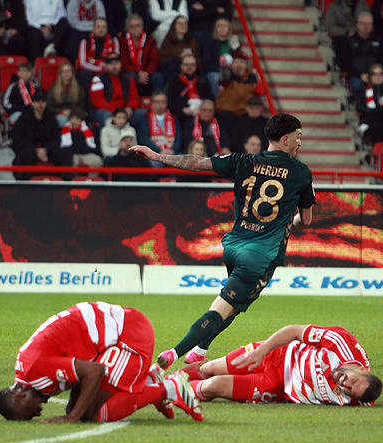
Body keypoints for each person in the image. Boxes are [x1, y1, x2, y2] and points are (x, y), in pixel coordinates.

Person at [132, 113, 315, 369]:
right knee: (222, 308)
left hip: (233, 246)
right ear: (286, 139)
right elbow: (306, 220)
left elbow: (197, 163)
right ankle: (174, 353)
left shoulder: (243, 160)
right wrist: (289, 221)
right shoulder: (301, 173)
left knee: (234, 303)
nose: (299, 143)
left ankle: (200, 350)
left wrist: (157, 156)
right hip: (260, 256)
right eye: (298, 137)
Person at [0, 300, 203, 423]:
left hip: (128, 334)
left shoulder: (36, 369)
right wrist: (72, 413)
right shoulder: (26, 369)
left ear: (20, 396)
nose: (37, 412)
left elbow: (94, 371)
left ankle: (170, 387)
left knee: (90, 413)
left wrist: (72, 418)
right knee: (77, 408)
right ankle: (149, 379)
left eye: (29, 412)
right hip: (112, 337)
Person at [176, 324, 382, 407]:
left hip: (277, 386)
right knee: (208, 369)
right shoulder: (340, 342)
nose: (345, 384)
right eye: (354, 380)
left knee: (213, 386)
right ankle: (168, 380)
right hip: (276, 353)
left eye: (349, 390)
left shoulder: (362, 398)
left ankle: (167, 390)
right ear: (363, 369)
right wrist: (261, 351)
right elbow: (294, 331)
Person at [90, 53, 140, 127]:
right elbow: (98, 101)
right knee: (108, 116)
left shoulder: (128, 79)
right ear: (106, 66)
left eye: (117, 63)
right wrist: (116, 111)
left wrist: (130, 108)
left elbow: (134, 97)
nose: (114, 66)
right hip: (106, 110)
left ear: (121, 64)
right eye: (111, 63)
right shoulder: (98, 79)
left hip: (125, 110)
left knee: (142, 114)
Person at [131, 91, 181, 159]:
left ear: (167, 103)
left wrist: (173, 151)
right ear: (152, 103)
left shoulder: (174, 118)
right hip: (153, 154)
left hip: (172, 153)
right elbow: (143, 139)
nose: (160, 104)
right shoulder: (145, 118)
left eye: (163, 102)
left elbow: (179, 138)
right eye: (157, 102)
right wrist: (159, 151)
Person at [120, 14, 160, 94]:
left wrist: (146, 73)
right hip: (132, 72)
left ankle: (158, 99)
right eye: (132, 26)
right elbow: (124, 62)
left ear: (142, 26)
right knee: (130, 76)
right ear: (128, 28)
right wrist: (138, 72)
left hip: (147, 72)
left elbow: (154, 60)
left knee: (158, 76)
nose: (135, 28)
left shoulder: (150, 40)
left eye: (137, 26)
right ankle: (130, 100)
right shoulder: (122, 41)